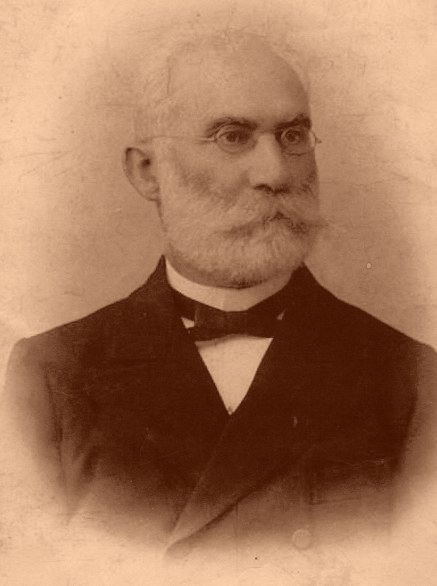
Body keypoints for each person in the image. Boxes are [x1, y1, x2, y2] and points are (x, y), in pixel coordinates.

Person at [4, 31, 437, 562]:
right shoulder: (51, 375)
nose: (276, 173)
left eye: (293, 135)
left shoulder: (410, 377)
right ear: (147, 171)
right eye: (232, 137)